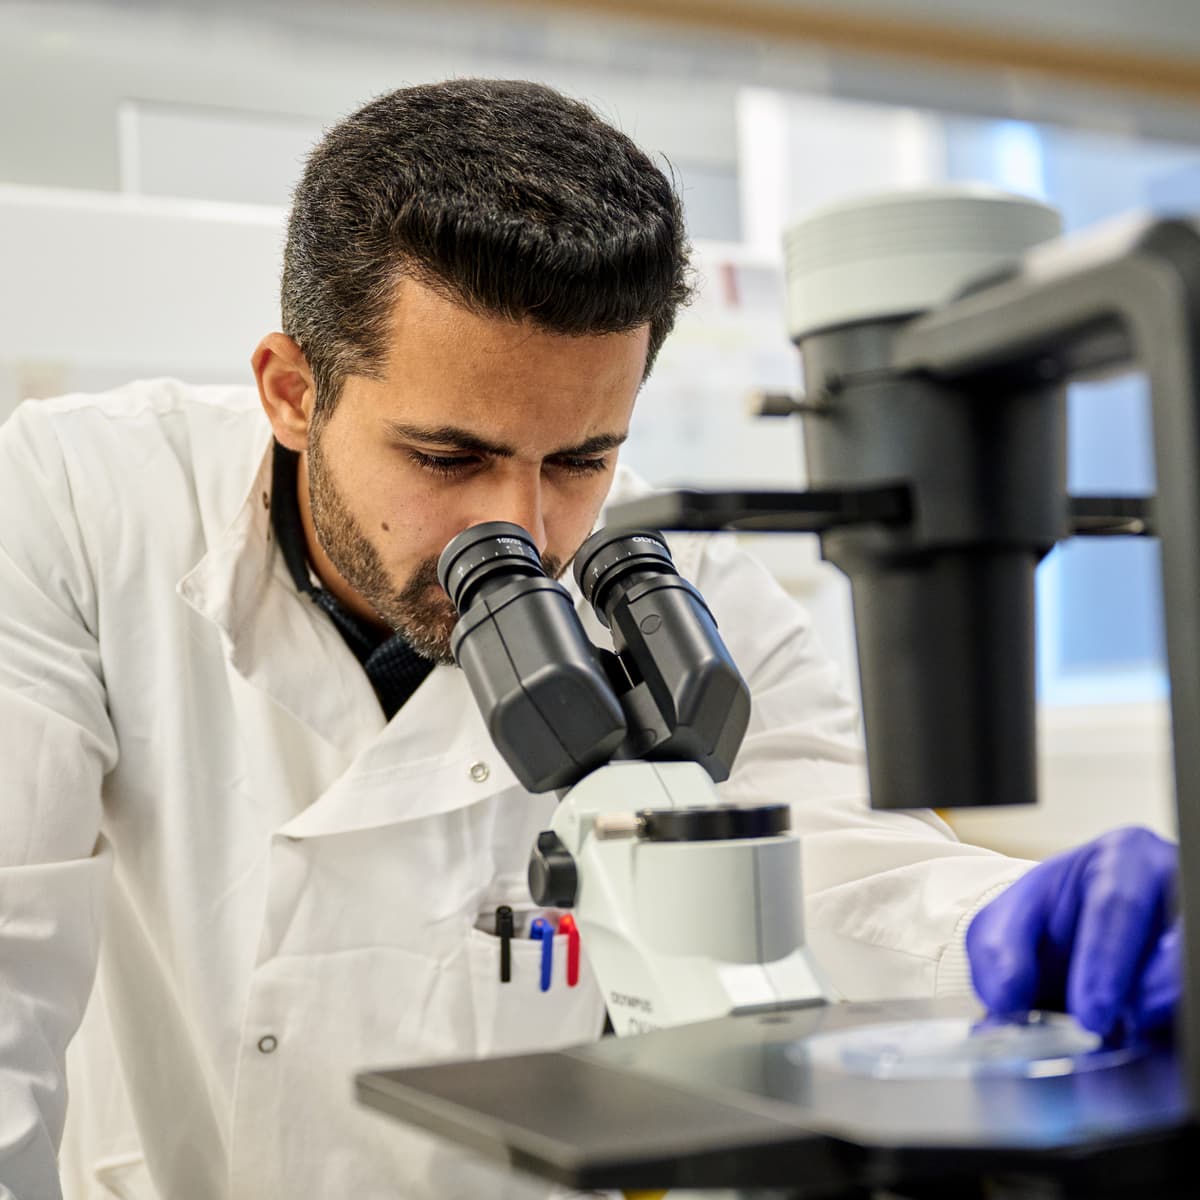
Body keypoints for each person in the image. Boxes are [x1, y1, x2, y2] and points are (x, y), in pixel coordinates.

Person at [0, 78, 1178, 1200]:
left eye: (580, 460)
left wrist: (1012, 923)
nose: (520, 528)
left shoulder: (680, 578)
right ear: (293, 392)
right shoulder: (82, 502)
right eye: (447, 457)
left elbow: (826, 853)